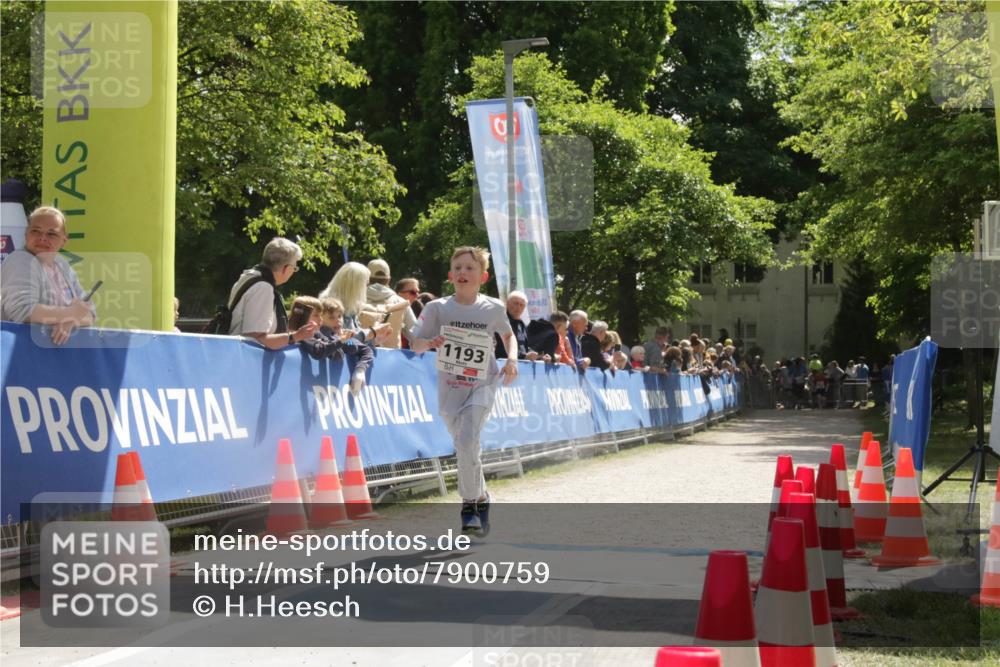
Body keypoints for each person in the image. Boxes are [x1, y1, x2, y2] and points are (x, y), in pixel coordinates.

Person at [408, 246, 517, 537]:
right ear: (449, 275)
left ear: (483, 276)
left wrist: (512, 360)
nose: (462, 273)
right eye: (457, 268)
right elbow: (415, 345)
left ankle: (469, 506)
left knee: (468, 439)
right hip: (450, 389)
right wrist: (432, 342)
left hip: (483, 385)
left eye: (469, 268)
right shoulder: (437, 308)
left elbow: (508, 335)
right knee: (466, 447)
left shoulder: (493, 307)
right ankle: (481, 497)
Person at [1, 206, 96, 345]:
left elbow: (90, 314)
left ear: (64, 240)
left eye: (51, 234)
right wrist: (70, 314)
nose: (42, 238)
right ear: (26, 234)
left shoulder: (62, 264)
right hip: (19, 353)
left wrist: (69, 321)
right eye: (35, 231)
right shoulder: (20, 260)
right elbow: (22, 311)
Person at [227, 237, 316, 349]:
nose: (294, 272)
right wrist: (296, 336)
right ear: (286, 268)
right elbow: (256, 340)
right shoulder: (263, 288)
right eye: (294, 267)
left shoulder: (250, 276)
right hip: (246, 360)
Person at [294, 296, 374, 395]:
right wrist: (340, 340)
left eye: (340, 316)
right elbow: (320, 351)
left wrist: (360, 369)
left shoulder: (332, 335)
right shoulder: (311, 333)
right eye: (331, 317)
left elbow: (353, 348)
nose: (338, 320)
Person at [319, 262, 392, 346]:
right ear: (355, 286)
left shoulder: (350, 304)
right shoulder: (331, 305)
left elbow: (354, 338)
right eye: (365, 284)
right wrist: (372, 332)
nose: (366, 287)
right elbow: (342, 340)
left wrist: (375, 339)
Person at [365, 259, 416, 349]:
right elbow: (416, 336)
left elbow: (346, 337)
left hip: (358, 359)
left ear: (366, 278)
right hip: (391, 360)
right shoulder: (401, 303)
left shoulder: (354, 302)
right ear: (389, 280)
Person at [495, 290, 538, 361]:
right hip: (504, 364)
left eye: (521, 305)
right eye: (516, 303)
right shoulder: (501, 321)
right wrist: (524, 356)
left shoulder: (521, 324)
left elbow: (524, 347)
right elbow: (501, 347)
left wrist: (536, 355)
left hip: (521, 365)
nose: (518, 307)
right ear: (507, 304)